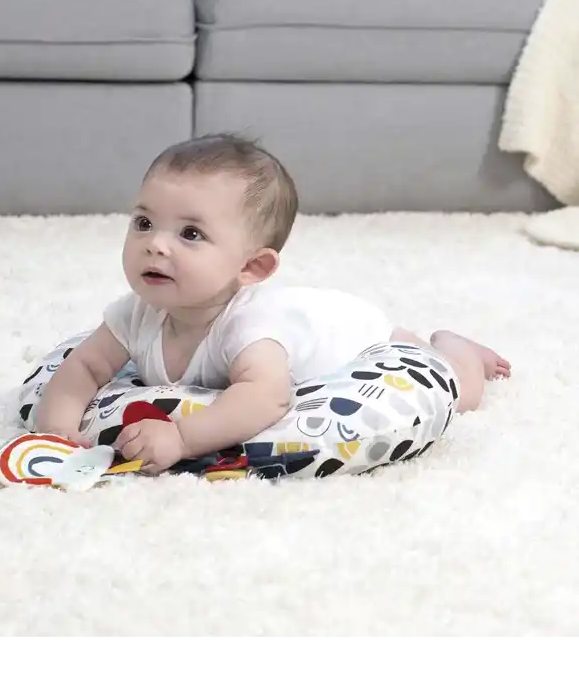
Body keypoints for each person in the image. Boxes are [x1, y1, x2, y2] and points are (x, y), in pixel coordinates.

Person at [35, 134, 511, 474]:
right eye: (143, 223)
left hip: (360, 338)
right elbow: (85, 368)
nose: (155, 245)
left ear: (252, 269)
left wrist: (181, 437)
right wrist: (56, 432)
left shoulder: (250, 325)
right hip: (311, 315)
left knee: (460, 391)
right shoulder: (134, 311)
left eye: (191, 233)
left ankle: (457, 347)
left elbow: (266, 396)